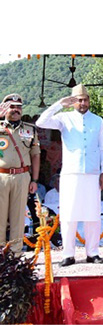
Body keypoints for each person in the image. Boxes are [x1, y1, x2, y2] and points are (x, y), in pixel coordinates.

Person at [36, 84, 103, 266]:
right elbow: (40, 122)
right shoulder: (64, 118)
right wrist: (60, 104)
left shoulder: (98, 121)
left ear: (89, 101)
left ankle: (93, 253)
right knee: (69, 215)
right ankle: (68, 254)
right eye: (79, 100)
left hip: (93, 173)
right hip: (70, 173)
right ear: (73, 101)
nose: (82, 103)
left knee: (93, 214)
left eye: (85, 100)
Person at [0, 94, 41, 257]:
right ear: (4, 109)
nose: (16, 110)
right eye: (12, 107)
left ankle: (16, 254)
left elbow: (36, 155)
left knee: (18, 216)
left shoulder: (30, 129)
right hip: (1, 176)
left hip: (22, 176)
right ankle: (1, 255)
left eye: (19, 107)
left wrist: (35, 179)